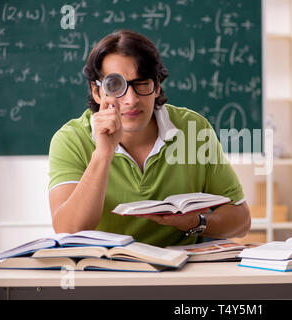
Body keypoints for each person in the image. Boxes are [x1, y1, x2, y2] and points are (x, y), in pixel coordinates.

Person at [48, 29, 251, 247]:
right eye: (115, 86)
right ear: (97, 92)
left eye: (142, 83)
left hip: (182, 270)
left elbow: (241, 220)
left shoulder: (193, 129)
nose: (131, 99)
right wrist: (103, 153)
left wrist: (196, 222)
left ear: (157, 86)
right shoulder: (70, 139)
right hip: (104, 271)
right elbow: (68, 230)